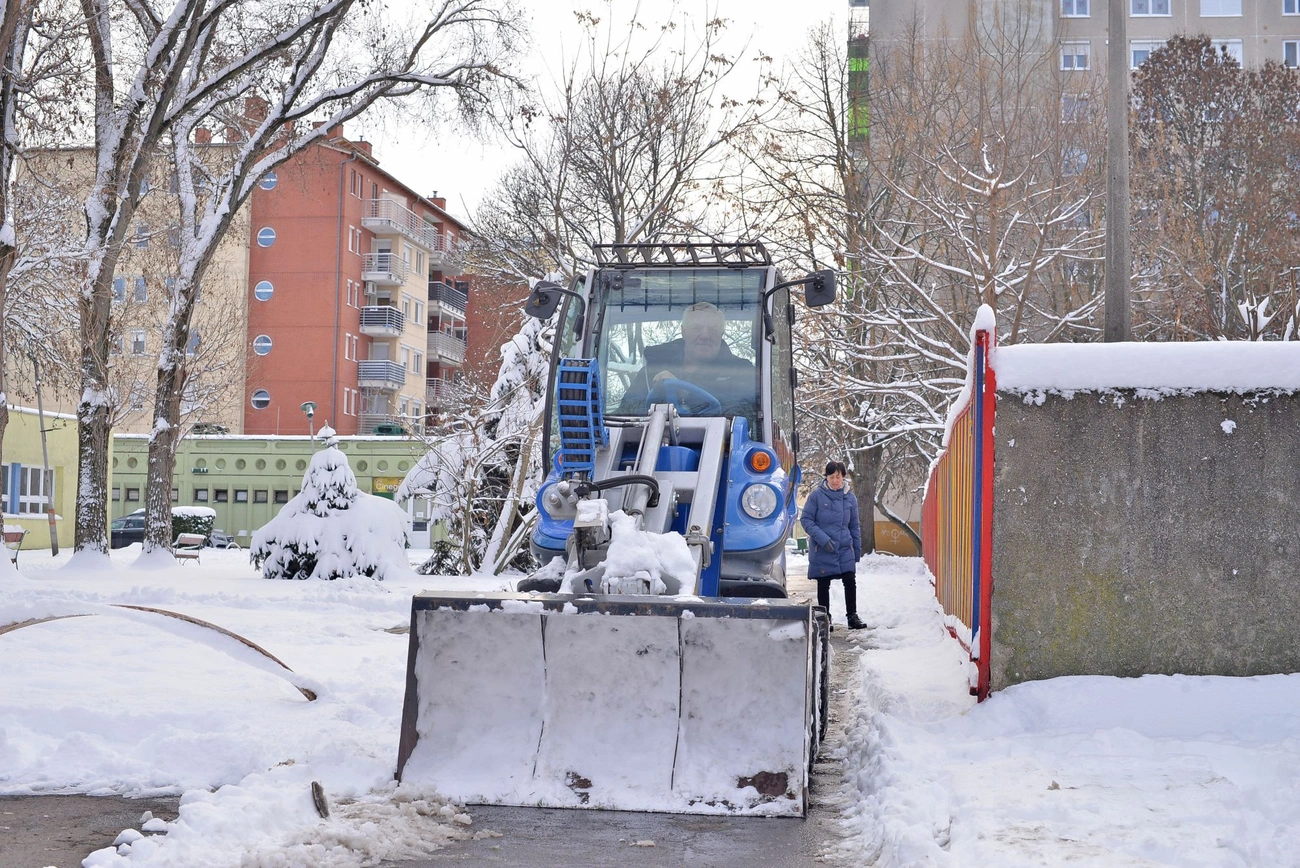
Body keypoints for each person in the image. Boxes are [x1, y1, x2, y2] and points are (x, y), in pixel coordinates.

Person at [616, 301, 756, 415]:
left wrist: (686, 394)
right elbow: (625, 415)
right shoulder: (649, 373)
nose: (705, 336)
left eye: (713, 329)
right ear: (683, 331)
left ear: (722, 333)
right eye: (697, 328)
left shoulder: (742, 373)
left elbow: (746, 416)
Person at [800, 461, 866, 630]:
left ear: (843, 477)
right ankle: (825, 618)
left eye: (838, 476)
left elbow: (854, 525)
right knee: (823, 583)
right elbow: (806, 520)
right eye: (831, 477)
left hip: (844, 547)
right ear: (826, 478)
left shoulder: (850, 498)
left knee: (850, 580)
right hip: (823, 547)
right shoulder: (816, 496)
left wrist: (856, 550)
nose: (835, 480)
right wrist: (823, 539)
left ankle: (852, 616)